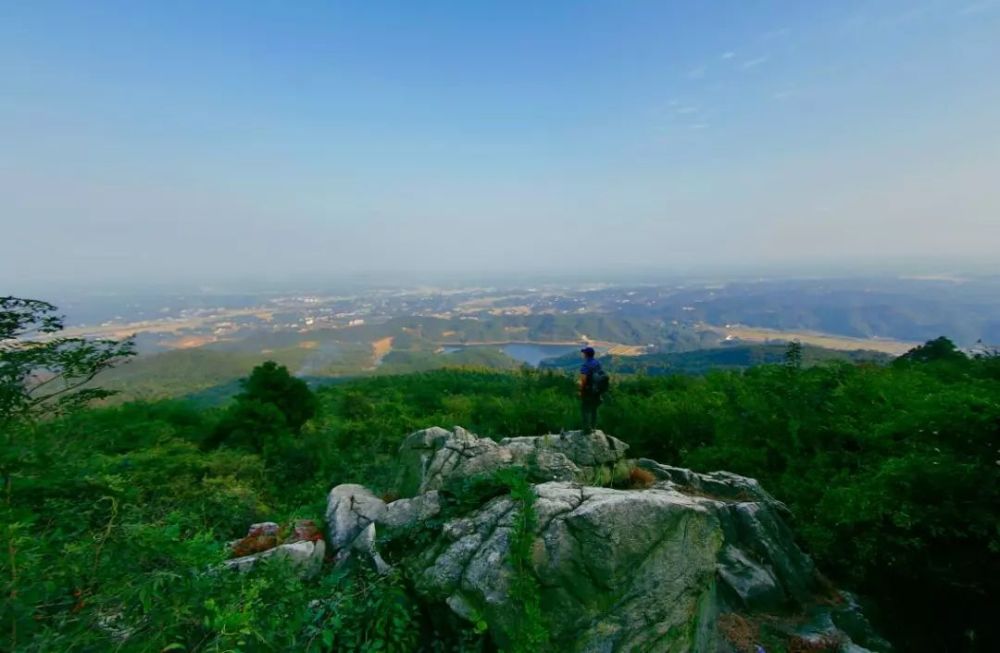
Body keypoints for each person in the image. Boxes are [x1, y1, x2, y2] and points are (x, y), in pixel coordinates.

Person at [579, 346, 603, 433]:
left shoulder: (585, 365)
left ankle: (586, 429)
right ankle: (593, 427)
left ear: (586, 354)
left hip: (588, 390)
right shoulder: (598, 363)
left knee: (585, 409)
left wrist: (581, 390)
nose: (582, 354)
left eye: (583, 353)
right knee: (594, 409)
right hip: (597, 390)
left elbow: (583, 379)